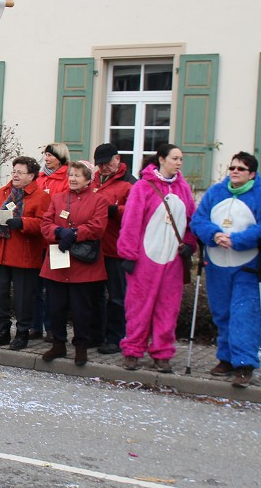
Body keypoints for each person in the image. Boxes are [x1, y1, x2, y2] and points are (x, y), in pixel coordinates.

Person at [117, 143, 197, 373]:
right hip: (145, 259)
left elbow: (190, 220)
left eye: (181, 159)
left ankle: (162, 353)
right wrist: (128, 253)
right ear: (161, 159)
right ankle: (132, 350)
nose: (179, 162)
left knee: (167, 308)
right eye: (175, 158)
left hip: (172, 259)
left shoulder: (183, 189)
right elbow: (131, 222)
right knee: (139, 307)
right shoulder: (143, 187)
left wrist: (190, 245)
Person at [190, 152, 261, 388]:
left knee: (243, 314)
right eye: (232, 167)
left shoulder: (258, 194)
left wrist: (238, 240)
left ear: (252, 173)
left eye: (241, 168)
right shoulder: (215, 192)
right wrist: (214, 234)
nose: (235, 171)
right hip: (217, 264)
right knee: (221, 313)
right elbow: (198, 220)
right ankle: (226, 358)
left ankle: (244, 364)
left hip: (246, 266)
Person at [38, 162, 109, 365]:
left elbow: (97, 227)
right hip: (59, 260)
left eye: (78, 175)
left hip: (83, 264)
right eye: (71, 175)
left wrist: (76, 234)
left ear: (88, 179)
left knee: (81, 309)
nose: (73, 179)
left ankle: (81, 346)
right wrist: (59, 232)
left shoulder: (99, 200)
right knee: (56, 307)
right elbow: (46, 223)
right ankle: (58, 344)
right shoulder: (59, 198)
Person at [0, 156, 51, 350]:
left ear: (31, 175)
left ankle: (22, 333)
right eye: (14, 172)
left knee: (23, 298)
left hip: (24, 255)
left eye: (20, 172)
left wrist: (24, 223)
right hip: (1, 252)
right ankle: (2, 330)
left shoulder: (41, 197)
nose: (16, 175)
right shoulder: (3, 192)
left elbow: (45, 224)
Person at [91, 143, 136, 355]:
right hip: (94, 248)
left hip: (117, 249)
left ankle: (115, 337)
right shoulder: (94, 180)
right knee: (94, 295)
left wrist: (115, 210)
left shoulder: (130, 183)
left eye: (107, 163)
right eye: (100, 164)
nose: (104, 167)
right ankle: (95, 334)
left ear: (117, 159)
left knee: (117, 297)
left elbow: (137, 211)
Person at [32, 143, 71, 340]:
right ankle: (35, 325)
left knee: (53, 288)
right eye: (45, 155)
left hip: (54, 240)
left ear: (60, 157)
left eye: (50, 155)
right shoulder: (39, 178)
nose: (46, 159)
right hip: (36, 239)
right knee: (35, 286)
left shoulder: (66, 179)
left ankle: (51, 327)